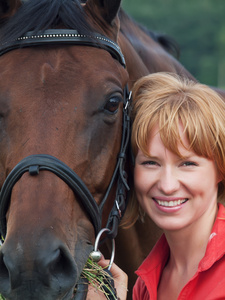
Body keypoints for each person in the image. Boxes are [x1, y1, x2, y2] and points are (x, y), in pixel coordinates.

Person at [87, 72, 225, 300]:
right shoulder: (144, 286)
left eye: (187, 163)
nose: (168, 185)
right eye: (151, 163)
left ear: (220, 169)